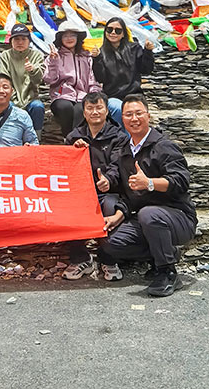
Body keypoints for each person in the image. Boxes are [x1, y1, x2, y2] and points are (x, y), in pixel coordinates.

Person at [98, 94, 197, 296]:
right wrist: (118, 216)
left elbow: (181, 181)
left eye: (138, 113)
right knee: (111, 242)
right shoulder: (125, 151)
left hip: (179, 217)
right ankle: (163, 253)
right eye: (128, 115)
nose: (134, 119)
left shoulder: (163, 146)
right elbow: (130, 196)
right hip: (147, 219)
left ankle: (167, 272)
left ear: (148, 116)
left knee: (149, 214)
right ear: (122, 119)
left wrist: (150, 183)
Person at [62, 90, 129, 280]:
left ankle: (108, 259)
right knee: (68, 207)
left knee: (110, 207)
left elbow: (118, 165)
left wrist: (108, 179)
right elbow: (63, 164)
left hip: (110, 191)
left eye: (99, 108)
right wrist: (73, 151)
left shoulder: (119, 137)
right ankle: (80, 259)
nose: (95, 112)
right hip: (81, 191)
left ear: (107, 111)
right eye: (90, 108)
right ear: (84, 112)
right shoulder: (74, 137)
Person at [91, 17, 155, 125]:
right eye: (109, 30)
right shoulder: (101, 52)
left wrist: (148, 52)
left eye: (118, 30)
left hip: (134, 95)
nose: (113, 33)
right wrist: (97, 59)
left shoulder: (134, 49)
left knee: (136, 114)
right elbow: (101, 78)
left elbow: (146, 70)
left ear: (123, 34)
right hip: (112, 97)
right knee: (120, 110)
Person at [45, 20, 101, 137]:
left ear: (78, 37)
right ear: (60, 39)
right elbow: (49, 80)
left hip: (82, 96)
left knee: (81, 109)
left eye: (72, 35)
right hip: (61, 96)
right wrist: (54, 63)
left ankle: (74, 139)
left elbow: (92, 78)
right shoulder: (55, 56)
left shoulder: (86, 57)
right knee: (65, 107)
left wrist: (93, 93)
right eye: (65, 36)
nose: (69, 38)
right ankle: (69, 138)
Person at [0, 24, 46, 138]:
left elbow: (38, 80)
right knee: (6, 107)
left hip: (31, 98)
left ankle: (36, 138)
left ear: (29, 41)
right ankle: (9, 138)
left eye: (23, 39)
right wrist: (15, 100)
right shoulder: (5, 56)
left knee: (38, 107)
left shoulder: (36, 55)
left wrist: (32, 70)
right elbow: (4, 80)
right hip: (10, 98)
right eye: (16, 39)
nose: (20, 42)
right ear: (11, 41)